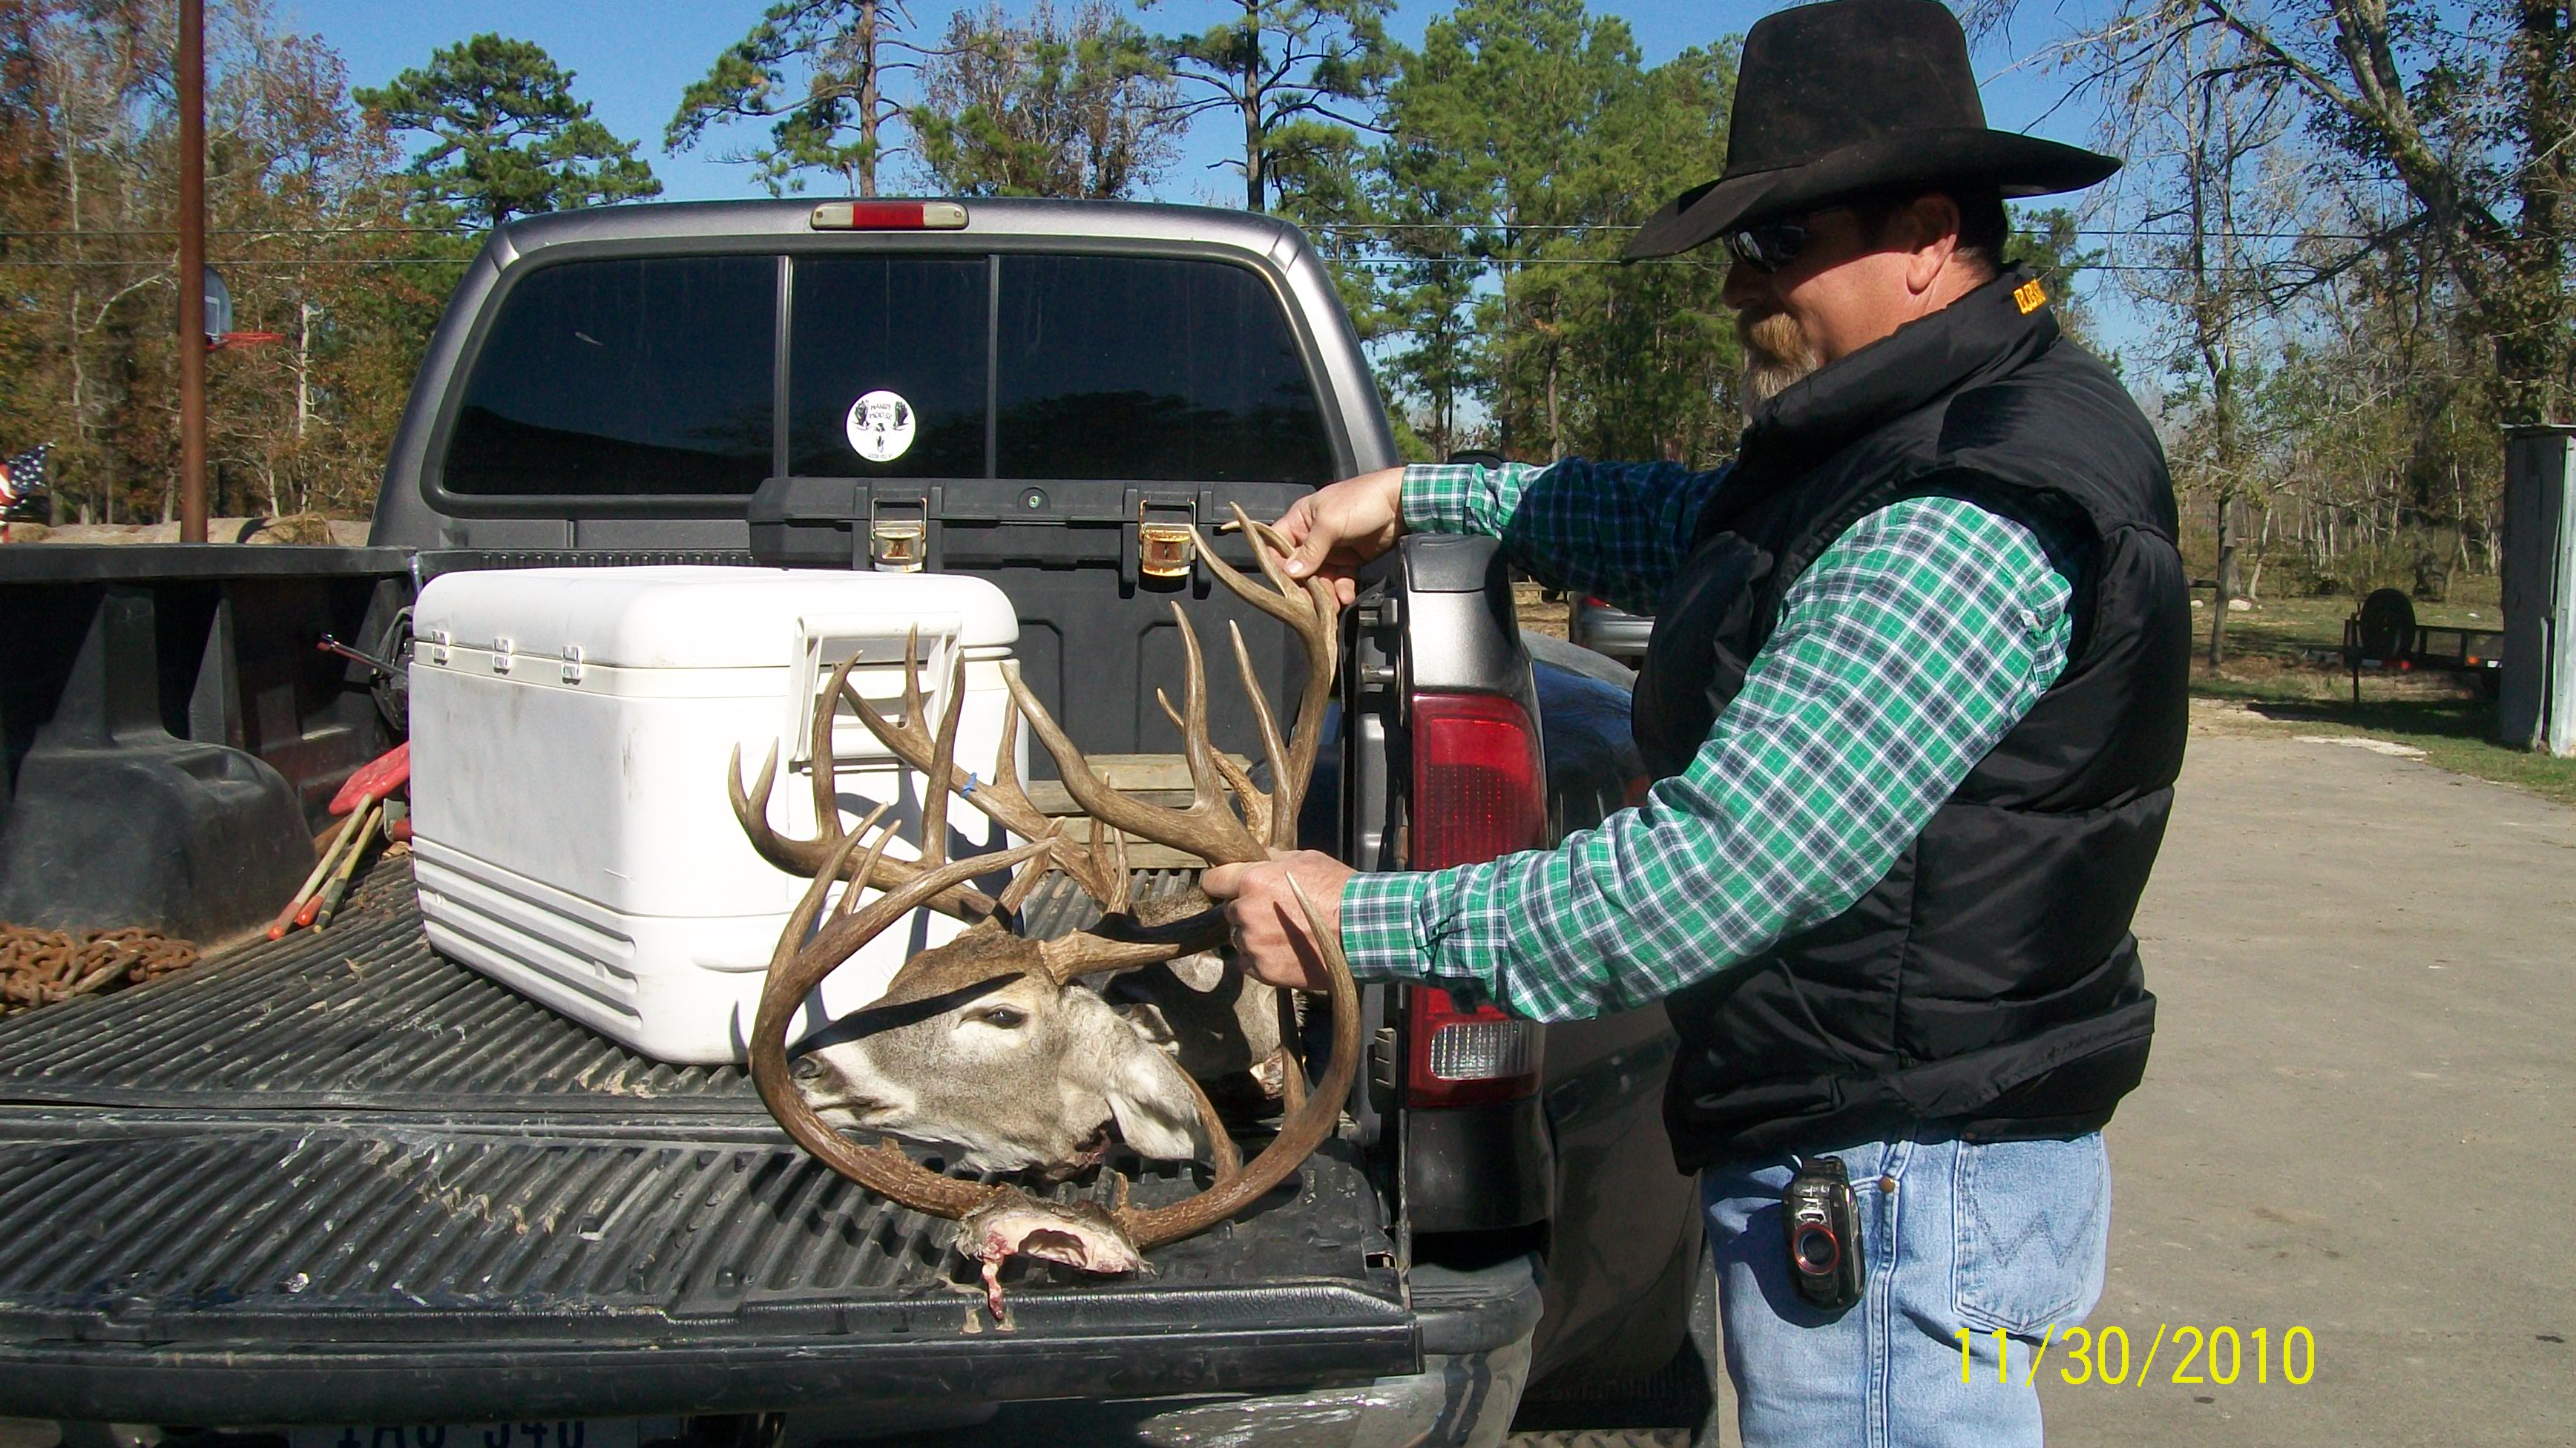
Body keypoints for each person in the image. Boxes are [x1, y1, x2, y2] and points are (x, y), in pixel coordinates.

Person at [1199, 1, 2190, 1442]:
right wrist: (1419, 495)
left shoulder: (1965, 508)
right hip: (1878, 1145)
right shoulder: (1896, 439)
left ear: (1926, 236)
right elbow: (1699, 532)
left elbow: (1713, 873)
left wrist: (1354, 922)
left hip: (1890, 1177)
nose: (1737, 286)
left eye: (1775, 241)